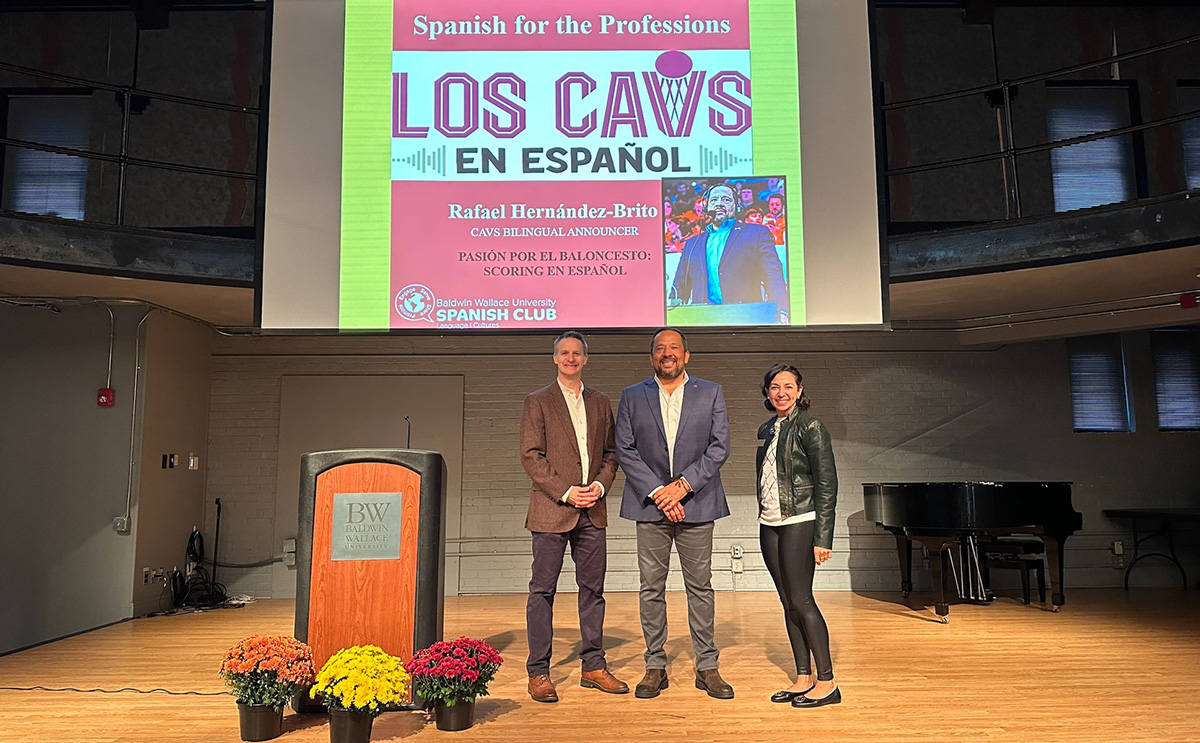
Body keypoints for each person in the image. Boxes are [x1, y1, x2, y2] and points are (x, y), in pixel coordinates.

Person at [615, 327, 734, 700]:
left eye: (674, 348)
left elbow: (719, 447)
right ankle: (655, 665)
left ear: (687, 355)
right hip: (649, 506)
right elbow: (625, 449)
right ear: (652, 357)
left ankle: (707, 666)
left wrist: (681, 487)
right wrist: (659, 493)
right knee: (652, 588)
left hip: (697, 504)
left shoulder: (710, 391)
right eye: (660, 349)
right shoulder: (632, 395)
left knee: (700, 587)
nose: (667, 353)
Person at [519, 331, 628, 703]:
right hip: (553, 510)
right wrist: (567, 491)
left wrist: (598, 487)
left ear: (585, 359)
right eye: (564, 353)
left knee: (593, 591)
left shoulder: (600, 402)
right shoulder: (537, 401)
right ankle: (539, 672)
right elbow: (531, 455)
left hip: (592, 511)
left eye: (576, 353)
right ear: (555, 359)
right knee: (542, 592)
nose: (570, 358)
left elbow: (611, 455)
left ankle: (594, 666)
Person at [755, 363, 841, 709]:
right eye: (775, 387)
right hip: (770, 522)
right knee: (787, 602)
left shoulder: (811, 426)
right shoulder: (769, 428)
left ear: (800, 391)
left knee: (803, 600)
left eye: (788, 386)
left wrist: (823, 538)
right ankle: (803, 677)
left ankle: (828, 682)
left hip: (801, 520)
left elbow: (827, 484)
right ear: (766, 392)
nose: (781, 393)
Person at [669, 184, 788, 323]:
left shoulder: (757, 233)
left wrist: (781, 310)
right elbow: (679, 287)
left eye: (726, 199)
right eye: (714, 200)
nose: (719, 204)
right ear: (707, 209)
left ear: (737, 206)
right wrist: (672, 318)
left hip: (746, 318)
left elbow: (773, 275)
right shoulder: (692, 243)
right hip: (702, 320)